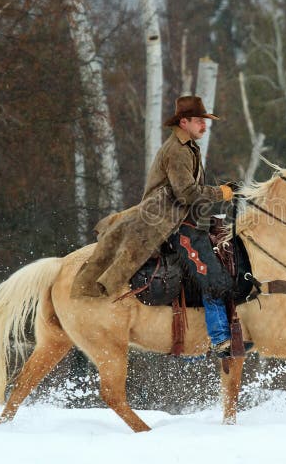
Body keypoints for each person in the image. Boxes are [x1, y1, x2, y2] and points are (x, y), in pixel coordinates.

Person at [71, 95, 237, 356]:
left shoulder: (189, 147)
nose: (204, 126)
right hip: (167, 224)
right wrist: (221, 193)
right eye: (199, 121)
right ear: (184, 122)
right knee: (210, 274)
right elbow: (186, 194)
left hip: (180, 219)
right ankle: (219, 338)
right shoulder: (177, 151)